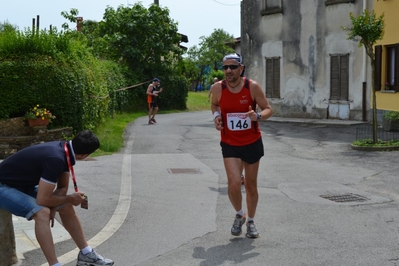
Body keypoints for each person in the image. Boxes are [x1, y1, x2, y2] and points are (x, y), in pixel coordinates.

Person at [0, 130, 114, 266]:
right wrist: (67, 199)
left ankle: (86, 253)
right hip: (3, 186)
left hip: (20, 185)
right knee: (42, 213)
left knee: (65, 205)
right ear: (84, 155)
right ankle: (54, 264)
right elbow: (43, 200)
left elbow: (62, 188)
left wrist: (59, 203)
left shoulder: (65, 150)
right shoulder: (56, 159)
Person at [211, 53, 272, 238]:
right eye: (225, 67)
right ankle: (239, 214)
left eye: (232, 67)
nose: (228, 70)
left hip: (252, 142)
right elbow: (214, 105)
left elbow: (268, 109)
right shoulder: (218, 88)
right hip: (229, 143)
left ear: (241, 68)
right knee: (234, 183)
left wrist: (258, 116)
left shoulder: (252, 87)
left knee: (251, 186)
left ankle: (251, 222)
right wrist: (216, 117)